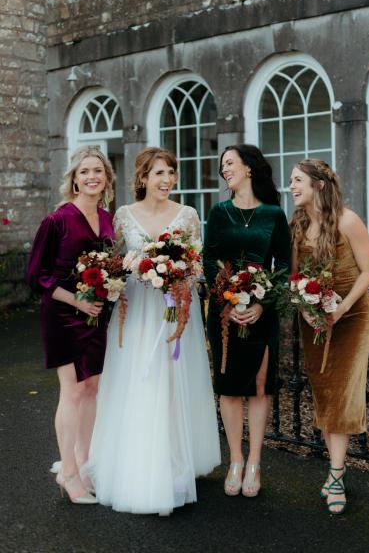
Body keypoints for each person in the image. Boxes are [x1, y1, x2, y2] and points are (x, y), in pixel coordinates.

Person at [85, 147, 220, 515]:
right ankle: (136, 467)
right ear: (143, 178)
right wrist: (128, 266)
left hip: (174, 313)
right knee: (138, 384)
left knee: (174, 385)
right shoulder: (124, 216)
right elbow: (114, 263)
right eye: (159, 173)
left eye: (171, 173)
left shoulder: (188, 215)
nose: (167, 180)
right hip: (137, 315)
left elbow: (200, 267)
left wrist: (178, 272)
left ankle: (175, 465)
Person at [27, 145, 115, 504]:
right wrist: (77, 300)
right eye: (85, 171)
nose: (92, 176)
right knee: (73, 391)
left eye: (98, 171)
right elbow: (37, 275)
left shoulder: (107, 218)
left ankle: (83, 461)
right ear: (74, 179)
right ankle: (67, 470)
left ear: (107, 178)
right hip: (63, 313)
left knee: (93, 388)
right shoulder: (58, 219)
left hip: (96, 312)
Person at [203, 144, 290, 497]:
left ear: (249, 168)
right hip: (224, 311)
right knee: (227, 386)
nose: (224, 169)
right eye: (222, 165)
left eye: (230, 163)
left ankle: (254, 462)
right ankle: (235, 460)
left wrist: (262, 304)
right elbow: (209, 260)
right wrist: (226, 297)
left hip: (261, 312)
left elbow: (283, 269)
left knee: (257, 387)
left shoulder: (274, 214)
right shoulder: (219, 212)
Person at [289, 158, 369, 514]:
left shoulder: (348, 220)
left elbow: (368, 272)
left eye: (297, 181)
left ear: (318, 185)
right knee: (325, 393)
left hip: (352, 317)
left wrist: (340, 309)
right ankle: (334, 469)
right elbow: (294, 279)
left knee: (341, 392)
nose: (291, 187)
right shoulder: (298, 224)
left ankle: (337, 476)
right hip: (314, 321)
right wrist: (306, 309)